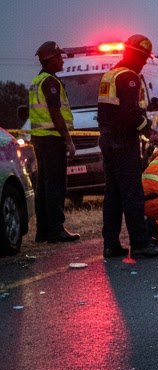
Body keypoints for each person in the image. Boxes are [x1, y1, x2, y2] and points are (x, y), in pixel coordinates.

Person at [97, 34, 158, 259]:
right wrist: (151, 132)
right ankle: (140, 243)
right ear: (134, 54)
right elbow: (130, 114)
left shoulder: (109, 75)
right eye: (143, 57)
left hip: (108, 141)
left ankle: (110, 244)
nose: (144, 62)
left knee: (113, 194)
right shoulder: (129, 77)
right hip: (123, 143)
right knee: (132, 194)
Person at [28, 41, 80, 243]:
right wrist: (68, 140)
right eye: (59, 57)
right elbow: (56, 113)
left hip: (40, 139)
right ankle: (56, 229)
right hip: (52, 139)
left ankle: (43, 231)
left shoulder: (36, 81)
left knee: (44, 185)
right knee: (56, 184)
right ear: (49, 60)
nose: (62, 60)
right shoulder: (50, 82)